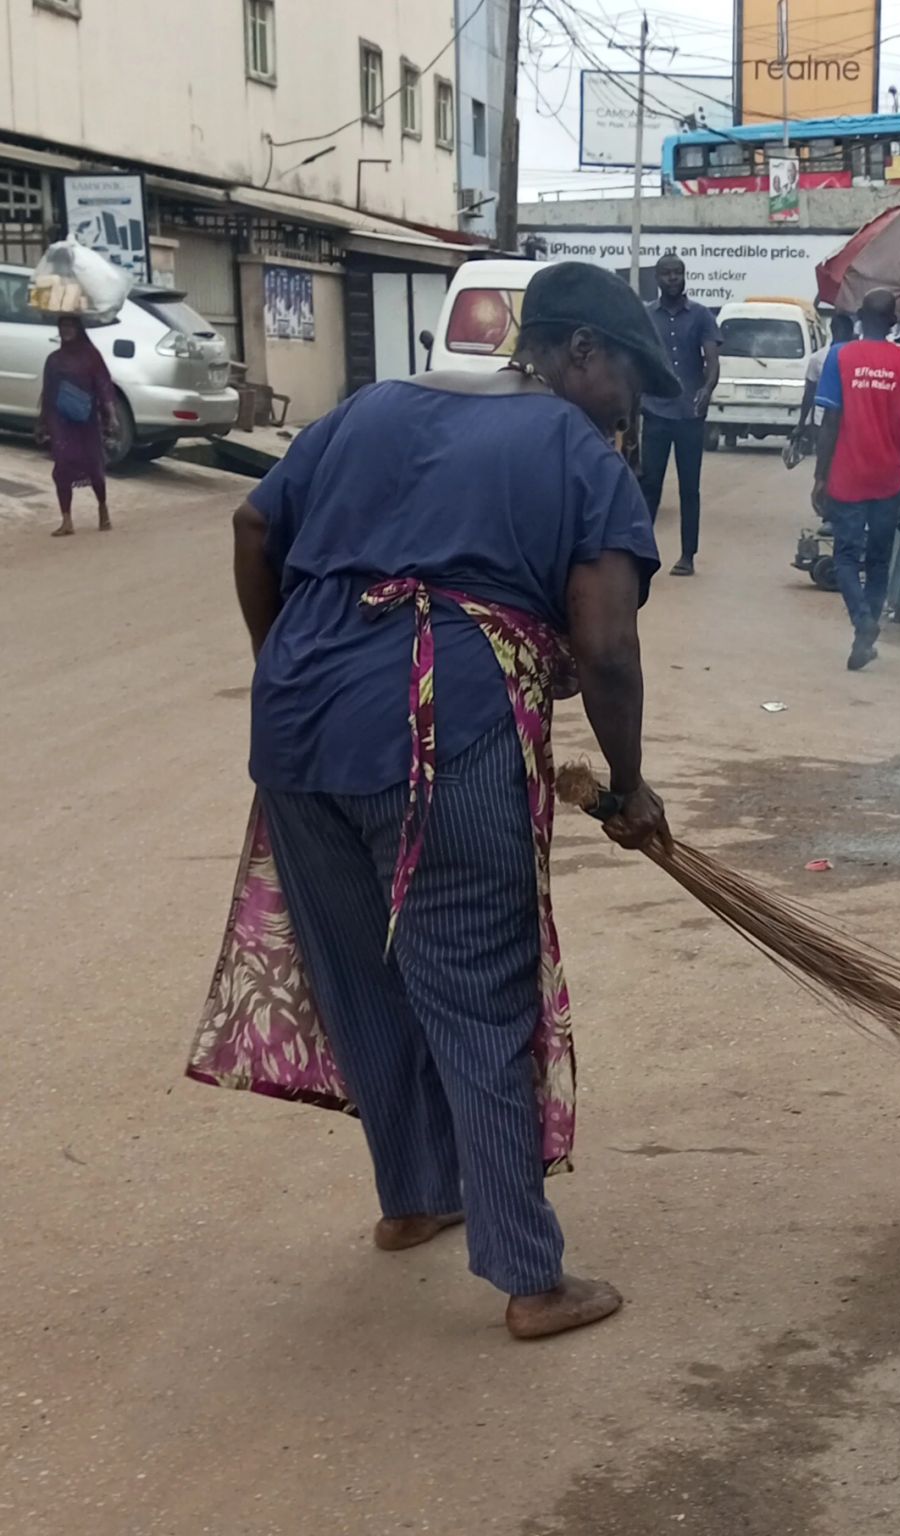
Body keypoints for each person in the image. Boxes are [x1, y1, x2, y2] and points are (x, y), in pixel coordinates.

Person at [210, 263, 675, 1340]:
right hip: (443, 731)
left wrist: (285, 660)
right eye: (627, 382)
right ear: (578, 354)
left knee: (366, 978)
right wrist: (632, 784)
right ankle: (528, 1277)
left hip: (297, 729)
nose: (628, 409)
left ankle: (414, 1201)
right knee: (477, 984)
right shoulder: (574, 451)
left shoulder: (371, 405)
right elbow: (605, 643)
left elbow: (250, 528)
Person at [813, 288, 900, 670]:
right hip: (889, 476)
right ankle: (865, 633)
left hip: (848, 474)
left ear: (859, 318)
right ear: (893, 321)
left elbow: (830, 421)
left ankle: (862, 623)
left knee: (847, 556)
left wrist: (820, 475)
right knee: (880, 558)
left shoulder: (840, 356)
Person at [637, 253, 720, 576]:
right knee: (650, 485)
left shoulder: (700, 316)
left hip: (689, 414)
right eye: (666, 273)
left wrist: (707, 389)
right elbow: (638, 359)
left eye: (678, 273)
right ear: (657, 278)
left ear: (685, 276)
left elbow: (712, 360)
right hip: (655, 411)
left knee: (690, 488)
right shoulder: (646, 316)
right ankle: (641, 553)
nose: (672, 278)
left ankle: (688, 555)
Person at [41, 315, 116, 537]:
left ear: (78, 329)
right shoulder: (53, 360)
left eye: (70, 326)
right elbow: (47, 393)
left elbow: (103, 385)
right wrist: (42, 422)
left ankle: (103, 509)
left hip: (86, 421)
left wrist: (111, 415)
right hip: (61, 422)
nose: (66, 330)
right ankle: (66, 520)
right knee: (62, 467)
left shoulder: (91, 356)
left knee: (94, 466)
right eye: (62, 326)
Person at [793, 312, 856, 451]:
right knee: (825, 456)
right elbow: (809, 393)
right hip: (823, 420)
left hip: (847, 421)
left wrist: (802, 424)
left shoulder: (859, 357)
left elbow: (809, 393)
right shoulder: (818, 358)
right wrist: (802, 423)